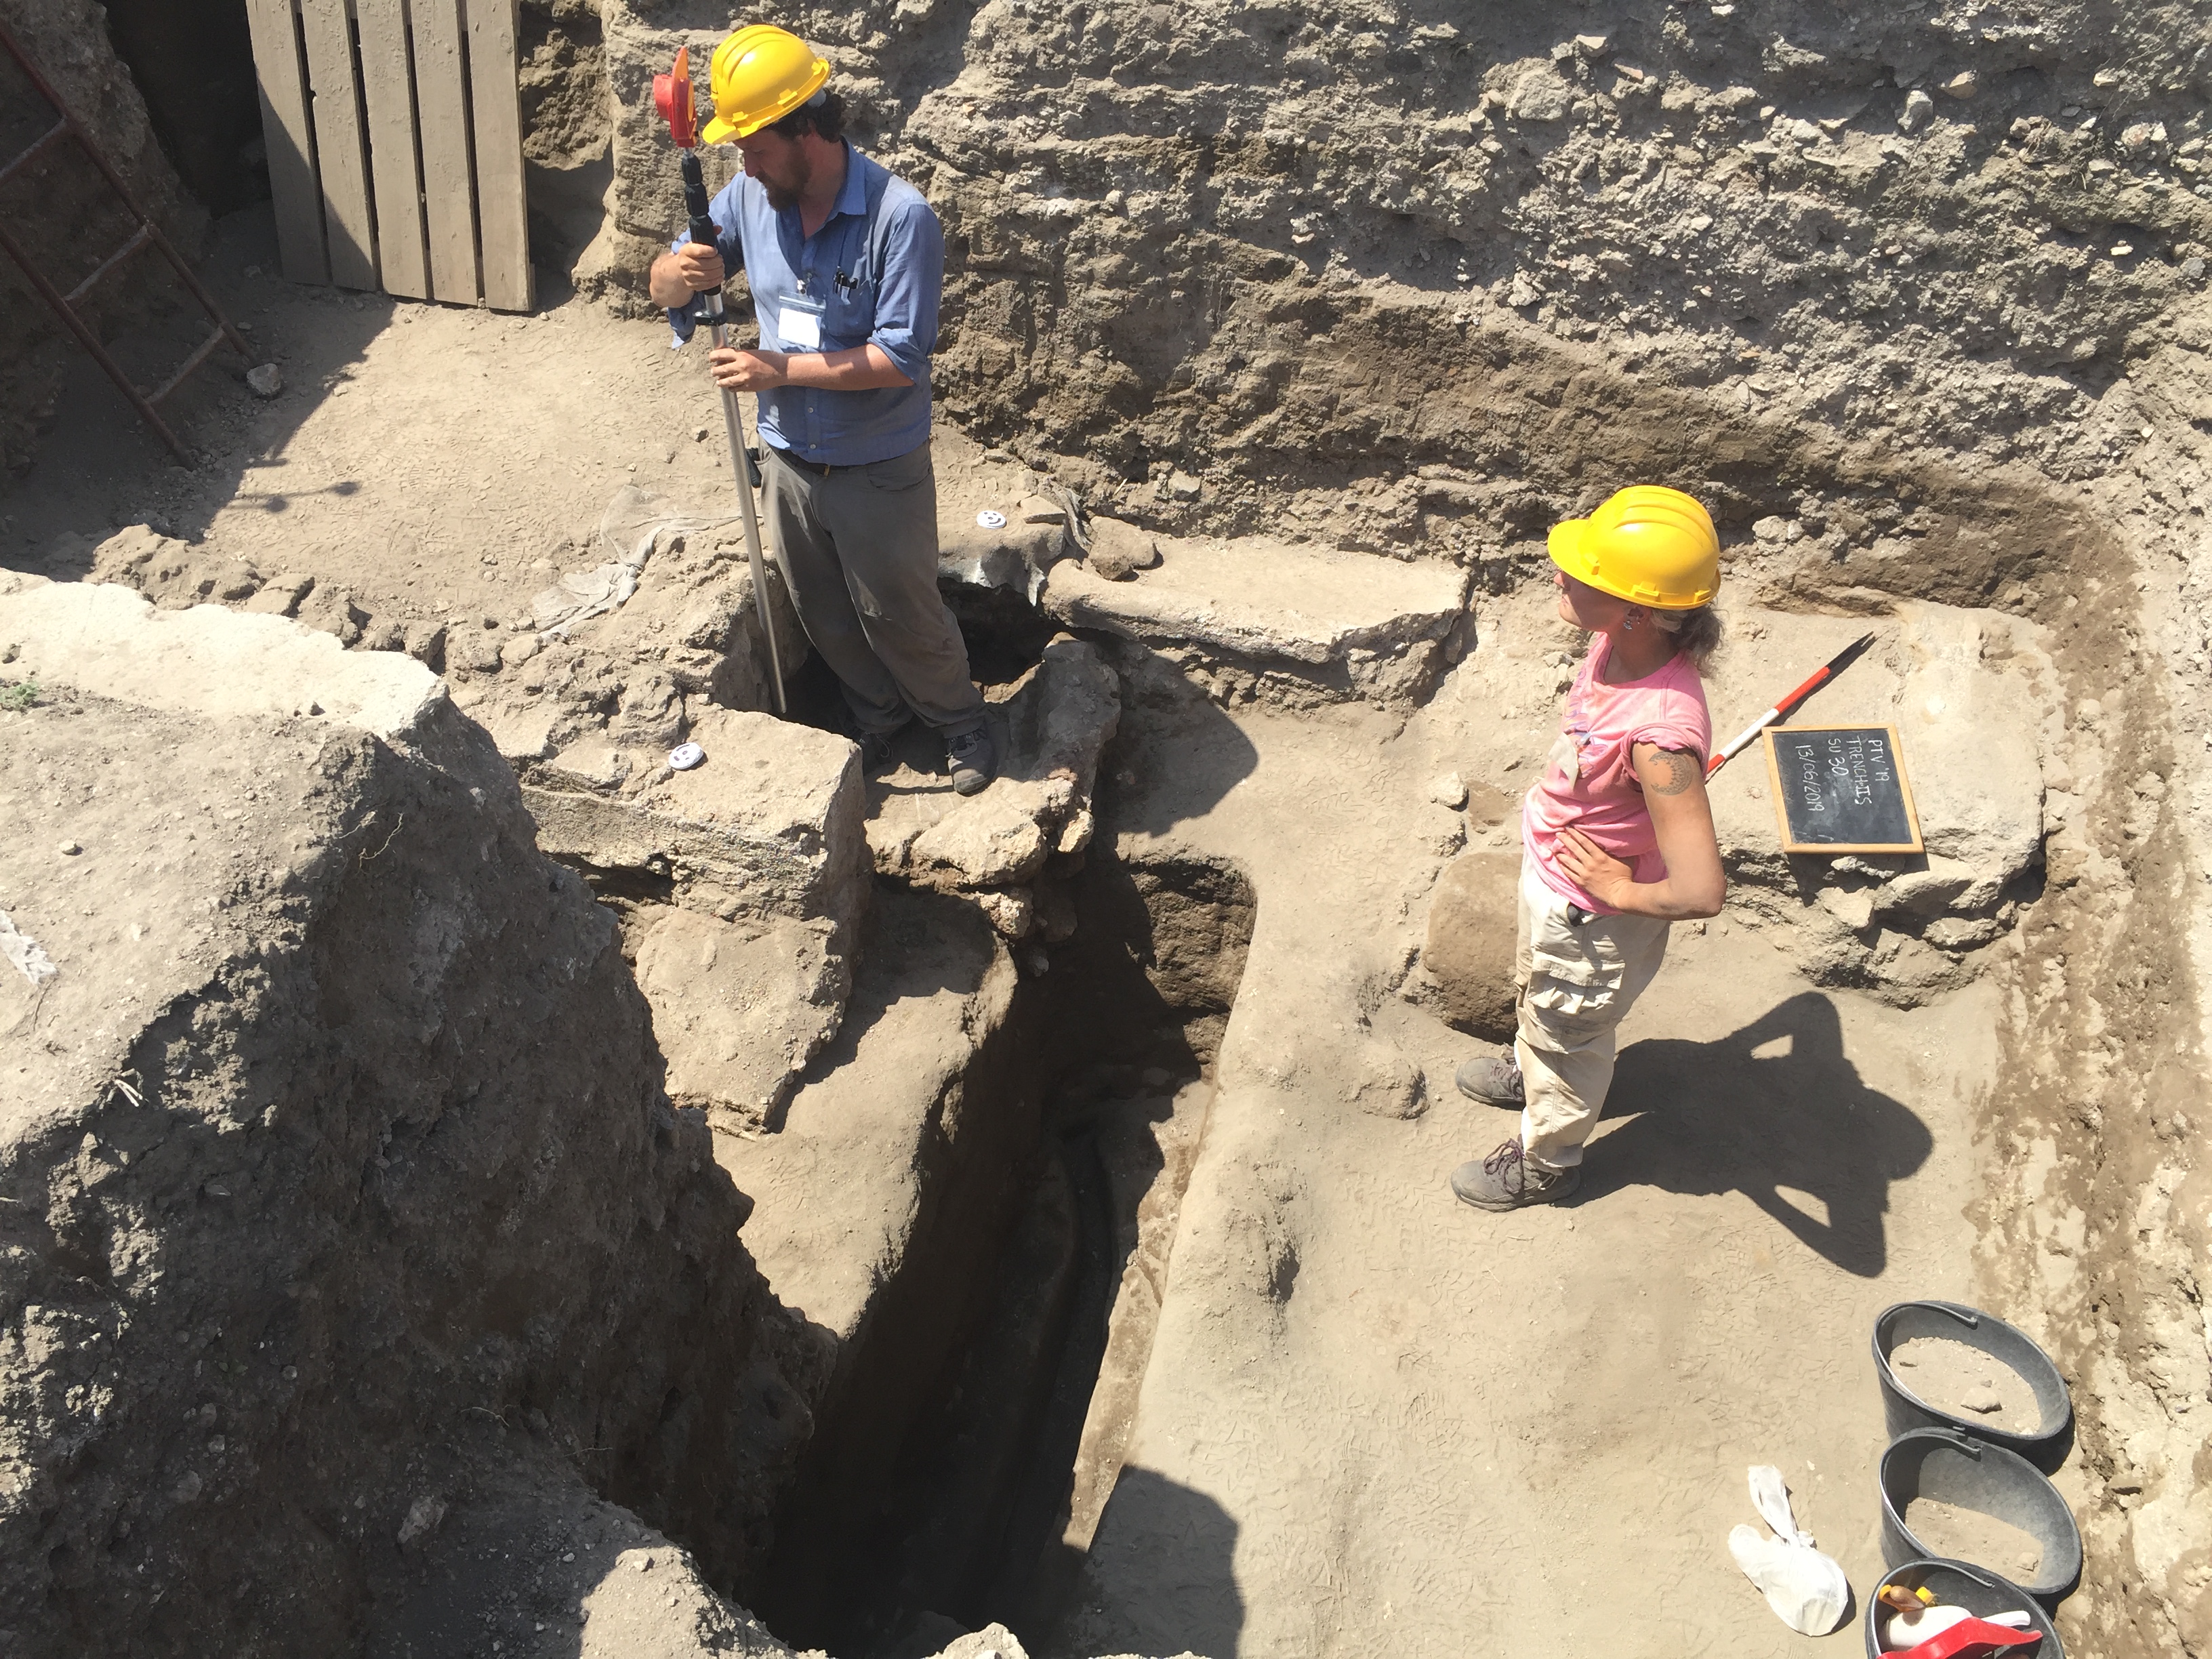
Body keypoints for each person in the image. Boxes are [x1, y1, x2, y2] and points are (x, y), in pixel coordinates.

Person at [647, 24, 996, 796]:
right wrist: (683, 270)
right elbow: (664, 288)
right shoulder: (748, 195)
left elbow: (898, 359)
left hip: (876, 464)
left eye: (757, 147)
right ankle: (880, 719)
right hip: (788, 458)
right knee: (823, 614)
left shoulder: (900, 220)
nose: (745, 165)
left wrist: (778, 368)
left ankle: (958, 721)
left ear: (806, 129)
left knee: (900, 611)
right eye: (737, 151)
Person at [1450, 486, 1729, 1212]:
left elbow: (1700, 889)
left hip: (1591, 917)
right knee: (1543, 1008)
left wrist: (1621, 891)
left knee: (1568, 1034)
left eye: (1586, 574)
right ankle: (1532, 1066)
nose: (1559, 577)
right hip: (1563, 883)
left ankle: (1550, 1161)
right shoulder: (1620, 643)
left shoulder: (1662, 738)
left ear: (1639, 610)